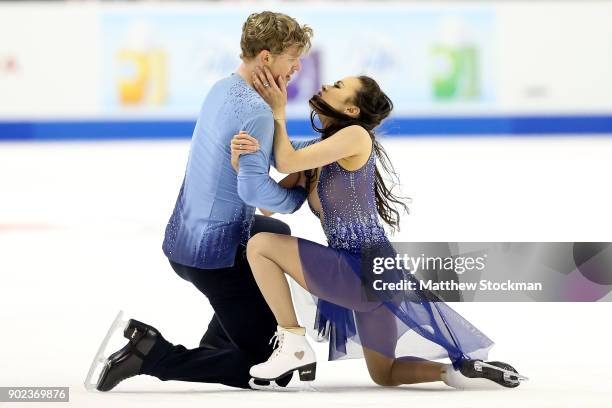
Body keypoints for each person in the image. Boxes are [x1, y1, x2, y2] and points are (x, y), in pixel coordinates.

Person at [230, 67, 528, 390]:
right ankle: (454, 373)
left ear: (351, 110)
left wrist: (277, 111)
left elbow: (285, 160)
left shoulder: (355, 136)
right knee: (384, 374)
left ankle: (294, 343)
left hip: (362, 269)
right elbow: (268, 204)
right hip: (375, 272)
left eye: (338, 86)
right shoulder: (319, 153)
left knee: (260, 245)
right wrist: (241, 164)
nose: (327, 85)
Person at [89, 11, 317, 391]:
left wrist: (278, 120)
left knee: (273, 231)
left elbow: (267, 178)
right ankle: (152, 353)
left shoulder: (222, 88)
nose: (296, 67)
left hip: (183, 237)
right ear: (266, 58)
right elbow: (257, 193)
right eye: (292, 58)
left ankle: (218, 341)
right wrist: (297, 195)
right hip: (213, 257)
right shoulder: (257, 112)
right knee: (264, 363)